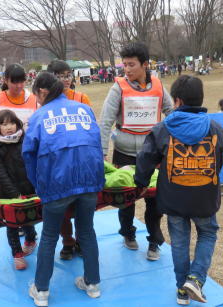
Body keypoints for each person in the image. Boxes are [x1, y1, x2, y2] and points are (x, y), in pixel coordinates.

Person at [134, 75, 223, 305]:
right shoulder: (215, 128)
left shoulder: (162, 129)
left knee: (180, 240)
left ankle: (182, 290)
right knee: (207, 232)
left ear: (176, 101)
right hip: (205, 196)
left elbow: (145, 159)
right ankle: (194, 280)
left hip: (174, 198)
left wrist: (141, 182)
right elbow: (220, 157)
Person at [23, 72, 105, 306]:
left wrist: (39, 185)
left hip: (56, 182)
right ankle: (93, 284)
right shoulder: (84, 109)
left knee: (49, 235)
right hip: (89, 179)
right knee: (86, 230)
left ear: (43, 92)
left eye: (36, 94)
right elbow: (96, 142)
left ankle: (41, 290)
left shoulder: (38, 117)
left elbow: (28, 155)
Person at [99, 42, 174, 261]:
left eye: (131, 65)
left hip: (152, 155)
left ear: (144, 64)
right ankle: (128, 233)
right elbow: (105, 122)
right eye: (125, 65)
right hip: (123, 152)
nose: (127, 69)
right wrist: (103, 152)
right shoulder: (119, 86)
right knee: (125, 198)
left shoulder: (159, 86)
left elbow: (172, 113)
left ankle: (153, 242)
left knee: (154, 201)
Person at [46, 59, 94, 260]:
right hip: (58, 163)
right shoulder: (45, 100)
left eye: (67, 75)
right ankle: (67, 241)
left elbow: (91, 128)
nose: (64, 80)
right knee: (62, 207)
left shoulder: (82, 98)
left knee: (83, 205)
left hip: (81, 162)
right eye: (59, 76)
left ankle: (83, 240)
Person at [0, 110, 37, 270]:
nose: (8, 127)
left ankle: (30, 239)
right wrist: (15, 194)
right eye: (3, 124)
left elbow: (34, 164)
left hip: (29, 188)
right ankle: (17, 253)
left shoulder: (26, 140)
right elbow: (0, 174)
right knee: (12, 223)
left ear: (17, 123)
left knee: (28, 218)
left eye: (11, 123)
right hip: (8, 193)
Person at [0, 63, 38, 139]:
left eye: (22, 81)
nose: (19, 85)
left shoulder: (34, 99)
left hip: (27, 147)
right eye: (15, 82)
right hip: (4, 148)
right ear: (6, 81)